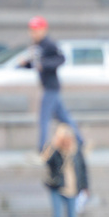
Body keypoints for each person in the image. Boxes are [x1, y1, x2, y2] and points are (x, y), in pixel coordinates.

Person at [19, 16, 83, 152]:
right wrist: (25, 64)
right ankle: (80, 141)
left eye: (36, 30)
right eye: (32, 30)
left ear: (43, 30)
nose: (33, 33)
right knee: (63, 117)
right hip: (47, 86)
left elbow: (61, 59)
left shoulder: (49, 44)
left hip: (51, 87)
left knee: (44, 117)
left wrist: (45, 65)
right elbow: (35, 64)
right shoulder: (36, 46)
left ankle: (42, 148)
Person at [42, 123, 88, 217]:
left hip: (73, 189)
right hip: (57, 188)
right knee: (57, 216)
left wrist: (85, 187)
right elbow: (48, 163)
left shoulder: (76, 150)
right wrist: (55, 145)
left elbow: (83, 169)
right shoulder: (55, 151)